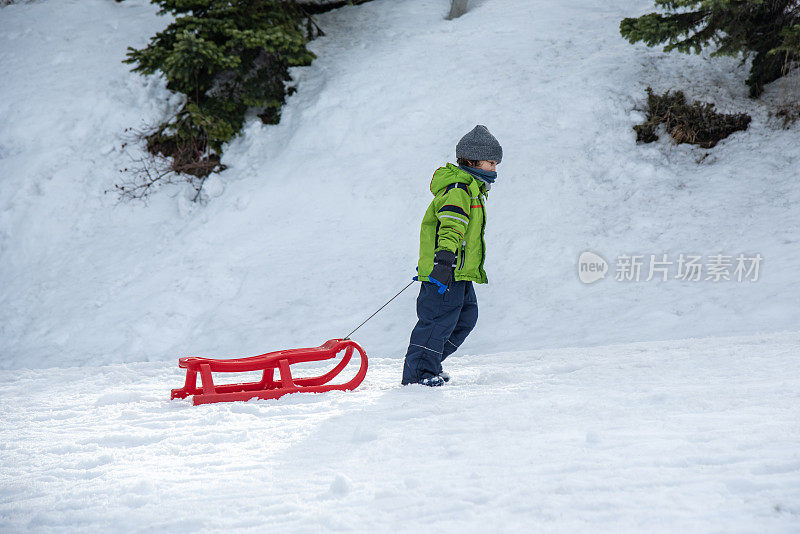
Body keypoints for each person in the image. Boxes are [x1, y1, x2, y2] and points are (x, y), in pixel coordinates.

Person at [401, 125, 502, 386]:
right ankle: (418, 374)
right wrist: (444, 261)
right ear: (471, 160)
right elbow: (452, 226)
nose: (494, 168)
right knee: (436, 321)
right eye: (490, 162)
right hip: (446, 270)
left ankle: (428, 362)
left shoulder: (472, 189)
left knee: (465, 318)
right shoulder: (459, 189)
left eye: (495, 163)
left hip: (459, 272)